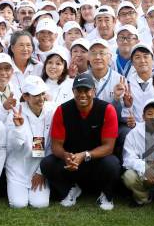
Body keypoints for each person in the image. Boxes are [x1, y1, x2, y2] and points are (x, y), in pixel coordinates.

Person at [40, 72, 121, 211]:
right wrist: (67, 157)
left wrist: (84, 155)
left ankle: (106, 194)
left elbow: (109, 147)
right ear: (73, 91)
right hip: (72, 161)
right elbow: (56, 146)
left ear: (94, 91)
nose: (82, 94)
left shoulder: (107, 109)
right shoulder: (62, 110)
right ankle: (70, 189)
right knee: (47, 163)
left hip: (96, 161)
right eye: (78, 90)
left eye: (87, 90)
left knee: (112, 163)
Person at [6, 76, 56, 208]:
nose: (41, 99)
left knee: (40, 204)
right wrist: (19, 128)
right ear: (26, 96)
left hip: (40, 166)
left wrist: (41, 172)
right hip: (18, 168)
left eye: (42, 94)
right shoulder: (15, 112)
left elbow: (52, 145)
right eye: (35, 95)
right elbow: (13, 147)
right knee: (18, 204)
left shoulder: (53, 110)